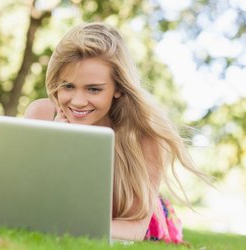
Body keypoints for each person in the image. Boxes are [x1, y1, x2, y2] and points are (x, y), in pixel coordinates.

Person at [24, 22, 208, 243]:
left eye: (94, 89)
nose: (78, 101)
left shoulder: (146, 136)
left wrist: (67, 227)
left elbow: (135, 229)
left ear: (118, 88)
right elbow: (31, 201)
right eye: (68, 86)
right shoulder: (42, 114)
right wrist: (55, 145)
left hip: (144, 224)